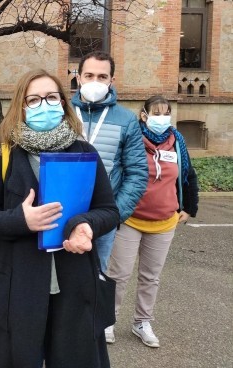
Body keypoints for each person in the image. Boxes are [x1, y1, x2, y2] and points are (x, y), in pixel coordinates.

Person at [0, 69, 120, 367]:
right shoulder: (3, 154)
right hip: (19, 284)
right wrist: (21, 221)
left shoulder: (83, 152)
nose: (44, 105)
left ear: (63, 103)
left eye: (51, 97)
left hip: (74, 282)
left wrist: (86, 225)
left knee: (75, 358)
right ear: (21, 106)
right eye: (34, 99)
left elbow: (109, 210)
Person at [105, 96, 199, 347]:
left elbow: (188, 175)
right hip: (130, 219)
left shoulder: (177, 141)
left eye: (166, 112)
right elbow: (118, 172)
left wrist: (189, 208)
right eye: (156, 113)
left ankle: (142, 322)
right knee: (119, 274)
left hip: (164, 221)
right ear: (144, 114)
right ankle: (107, 320)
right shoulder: (133, 139)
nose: (162, 118)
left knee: (151, 276)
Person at [71, 51, 148, 272]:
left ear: (112, 81)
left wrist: (114, 214)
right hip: (62, 212)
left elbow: (137, 173)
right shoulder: (62, 113)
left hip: (103, 217)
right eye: (89, 75)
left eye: (102, 77)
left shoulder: (126, 120)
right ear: (79, 77)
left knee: (97, 278)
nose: (95, 81)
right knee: (59, 281)